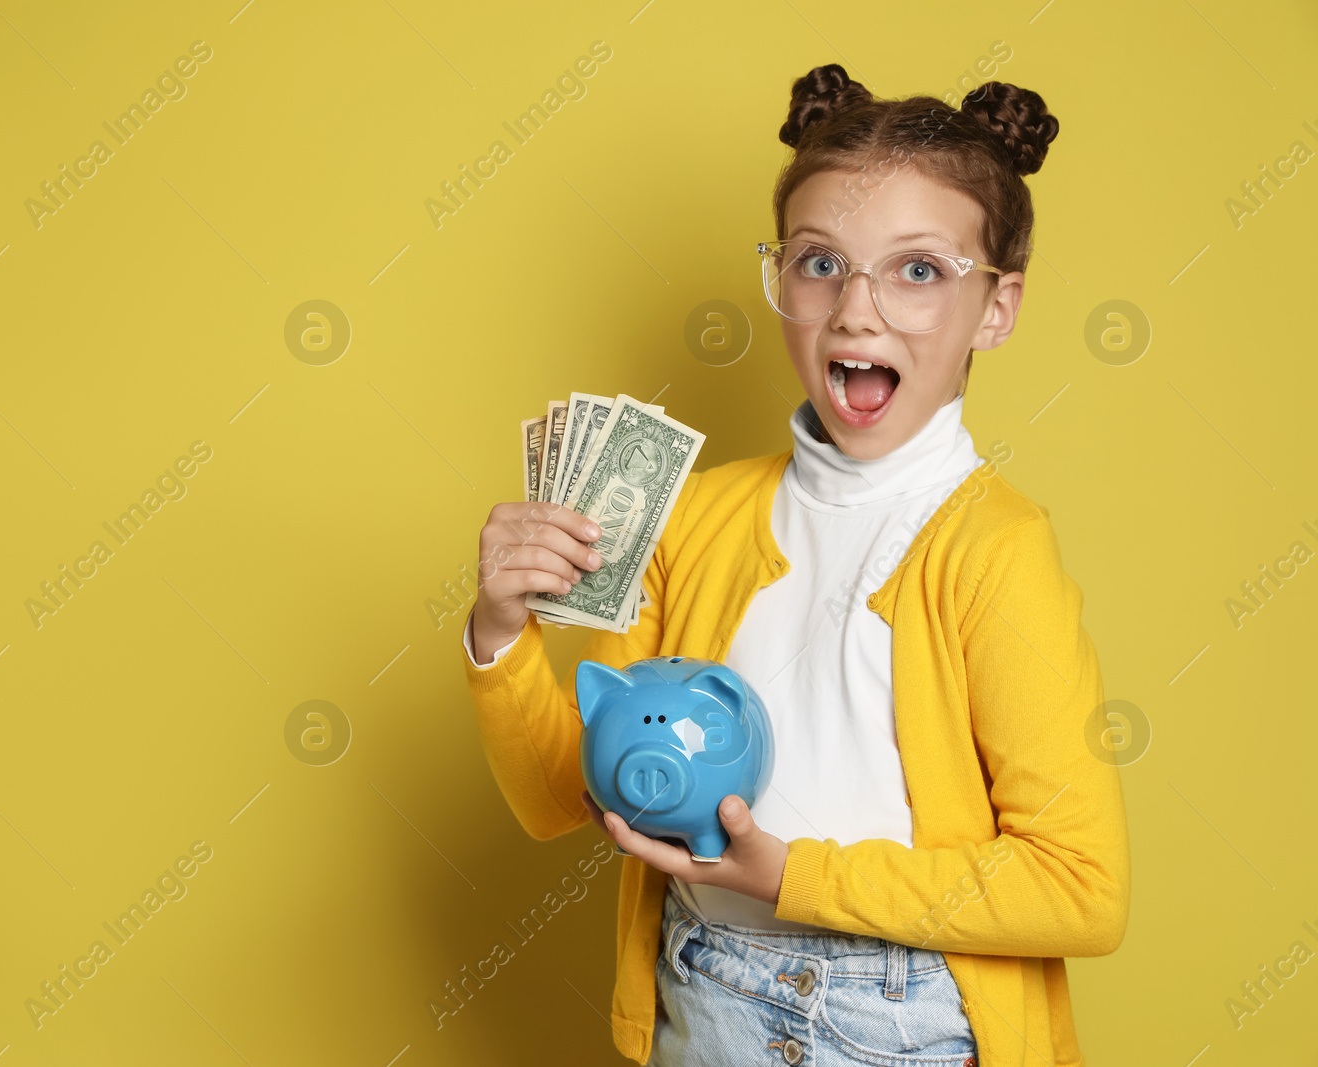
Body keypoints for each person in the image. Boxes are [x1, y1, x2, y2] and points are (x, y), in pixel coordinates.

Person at [460, 63, 1129, 1067]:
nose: (857, 312)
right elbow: (570, 794)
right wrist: (499, 638)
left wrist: (793, 875)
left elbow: (1079, 884)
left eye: (917, 270)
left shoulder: (994, 550)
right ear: (779, 276)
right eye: (820, 263)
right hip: (706, 994)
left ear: (995, 308)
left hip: (905, 1017)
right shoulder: (695, 515)